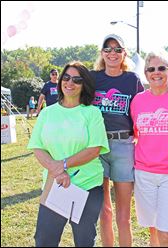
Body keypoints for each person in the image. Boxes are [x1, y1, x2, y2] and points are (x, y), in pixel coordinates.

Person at [27, 61, 110, 247]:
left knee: (84, 242)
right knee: (44, 240)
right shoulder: (47, 113)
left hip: (87, 186)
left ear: (84, 85)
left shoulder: (92, 113)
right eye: (66, 77)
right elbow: (37, 147)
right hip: (55, 184)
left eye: (77, 79)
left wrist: (63, 165)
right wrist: (58, 170)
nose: (70, 83)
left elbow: (94, 149)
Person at [130, 50, 168, 247]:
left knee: (166, 232)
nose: (156, 72)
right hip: (144, 174)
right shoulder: (138, 100)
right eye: (151, 69)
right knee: (154, 230)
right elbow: (136, 134)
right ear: (146, 73)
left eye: (161, 68)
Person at [90, 34, 144, 247]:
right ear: (102, 53)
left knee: (123, 213)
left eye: (117, 49)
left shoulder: (132, 80)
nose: (112, 53)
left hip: (123, 146)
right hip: (97, 147)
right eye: (108, 48)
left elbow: (145, 106)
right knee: (104, 211)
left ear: (124, 53)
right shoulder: (93, 78)